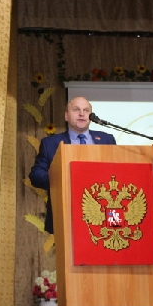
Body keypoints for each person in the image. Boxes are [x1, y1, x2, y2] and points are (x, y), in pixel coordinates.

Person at [29, 97, 116, 233]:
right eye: (76, 110)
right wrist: (62, 178)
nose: (82, 114)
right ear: (66, 116)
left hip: (103, 213)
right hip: (66, 213)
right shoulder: (50, 143)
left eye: (86, 110)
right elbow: (36, 176)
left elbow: (117, 171)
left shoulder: (107, 139)